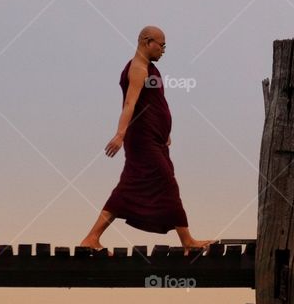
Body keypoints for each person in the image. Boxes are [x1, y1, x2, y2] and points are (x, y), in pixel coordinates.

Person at [79, 25, 214, 256]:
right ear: (146, 41)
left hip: (154, 138)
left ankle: (92, 238)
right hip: (142, 140)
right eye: (161, 45)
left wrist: (164, 130)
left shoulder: (150, 68)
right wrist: (120, 134)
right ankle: (187, 240)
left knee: (130, 186)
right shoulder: (138, 69)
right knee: (167, 181)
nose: (163, 50)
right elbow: (130, 104)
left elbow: (152, 101)